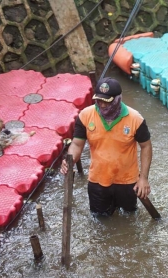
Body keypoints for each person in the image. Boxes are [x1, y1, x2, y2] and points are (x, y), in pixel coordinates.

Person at [60, 77, 153, 216]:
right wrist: (70, 161)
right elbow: (77, 144)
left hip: (127, 181)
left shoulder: (135, 119)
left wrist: (143, 178)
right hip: (98, 180)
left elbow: (146, 146)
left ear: (117, 99)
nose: (102, 105)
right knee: (99, 220)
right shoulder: (86, 115)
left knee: (129, 217)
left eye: (107, 101)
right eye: (99, 100)